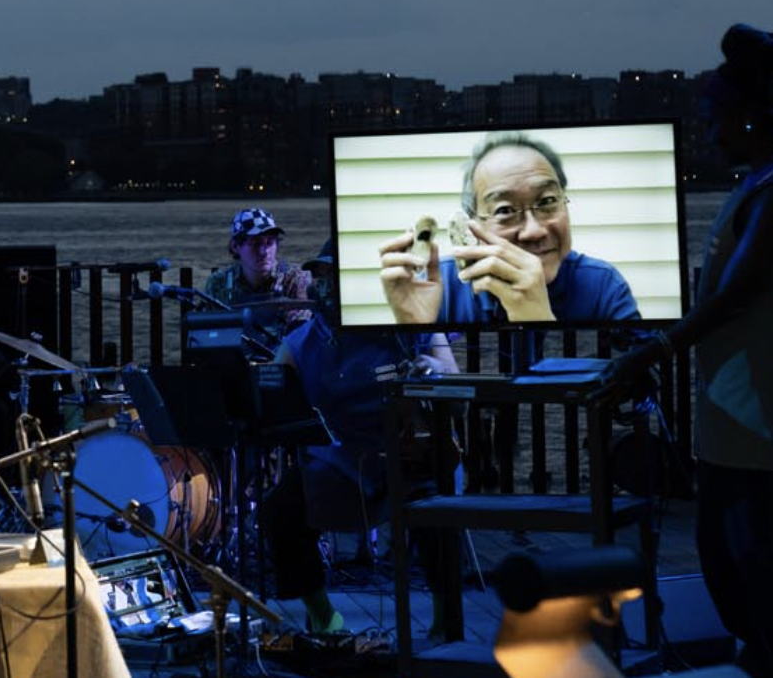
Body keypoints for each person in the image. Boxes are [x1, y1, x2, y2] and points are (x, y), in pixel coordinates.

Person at [608, 23, 773, 678]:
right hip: (730, 434)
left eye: (715, 120)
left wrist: (656, 350)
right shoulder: (753, 185)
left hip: (759, 437)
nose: (709, 135)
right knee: (729, 570)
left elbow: (738, 292)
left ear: (756, 117)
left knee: (756, 577)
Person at [261, 246, 459, 634]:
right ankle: (323, 615)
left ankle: (446, 617)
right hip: (340, 462)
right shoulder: (302, 342)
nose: (329, 288)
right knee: (280, 510)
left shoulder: (412, 324)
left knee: (437, 506)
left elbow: (452, 381)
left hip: (409, 454)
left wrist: (433, 369)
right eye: (324, 279)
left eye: (338, 278)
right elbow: (272, 395)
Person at [379, 132, 641, 324]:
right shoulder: (440, 288)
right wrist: (412, 332)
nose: (533, 231)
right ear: (472, 227)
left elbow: (646, 390)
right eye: (504, 210)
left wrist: (539, 320)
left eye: (548, 201)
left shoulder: (603, 285)